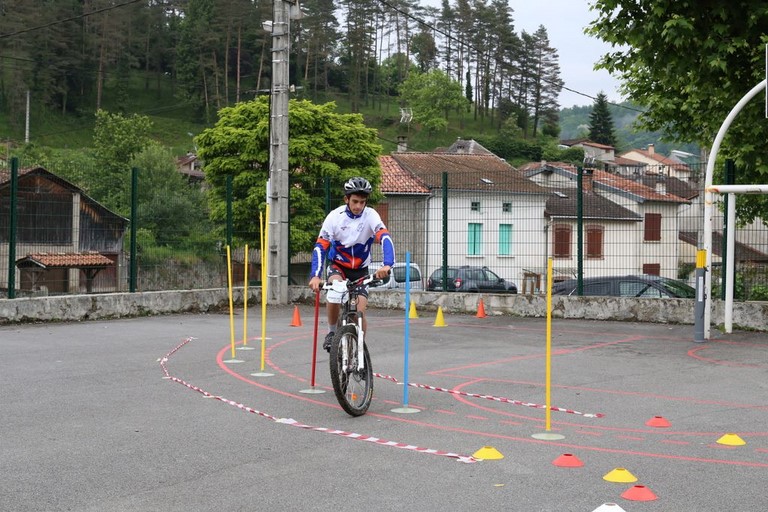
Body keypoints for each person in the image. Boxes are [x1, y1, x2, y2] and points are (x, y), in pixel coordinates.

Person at [308, 177, 395, 352]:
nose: (358, 206)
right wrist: (315, 276)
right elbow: (320, 247)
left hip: (361, 270)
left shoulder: (371, 215)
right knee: (335, 290)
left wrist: (387, 264)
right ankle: (332, 332)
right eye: (355, 201)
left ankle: (359, 352)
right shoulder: (334, 217)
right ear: (346, 199)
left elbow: (385, 237)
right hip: (339, 266)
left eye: (362, 202)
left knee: (358, 314)